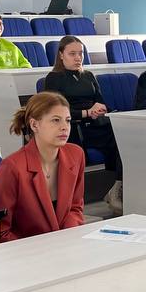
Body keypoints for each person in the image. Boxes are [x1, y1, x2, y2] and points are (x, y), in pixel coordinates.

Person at [0, 91, 85, 243]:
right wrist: (41, 248)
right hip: (23, 251)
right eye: (56, 120)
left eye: (68, 120)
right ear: (34, 125)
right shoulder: (12, 167)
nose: (65, 127)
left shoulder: (76, 154)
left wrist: (65, 238)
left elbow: (75, 208)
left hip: (64, 245)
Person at [43, 35, 122, 211]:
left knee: (124, 138)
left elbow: (100, 101)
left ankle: (117, 187)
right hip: (72, 126)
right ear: (61, 55)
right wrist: (86, 113)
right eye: (72, 54)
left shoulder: (88, 75)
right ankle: (70, 201)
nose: (78, 58)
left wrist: (101, 109)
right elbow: (54, 111)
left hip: (95, 124)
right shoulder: (54, 78)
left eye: (80, 53)